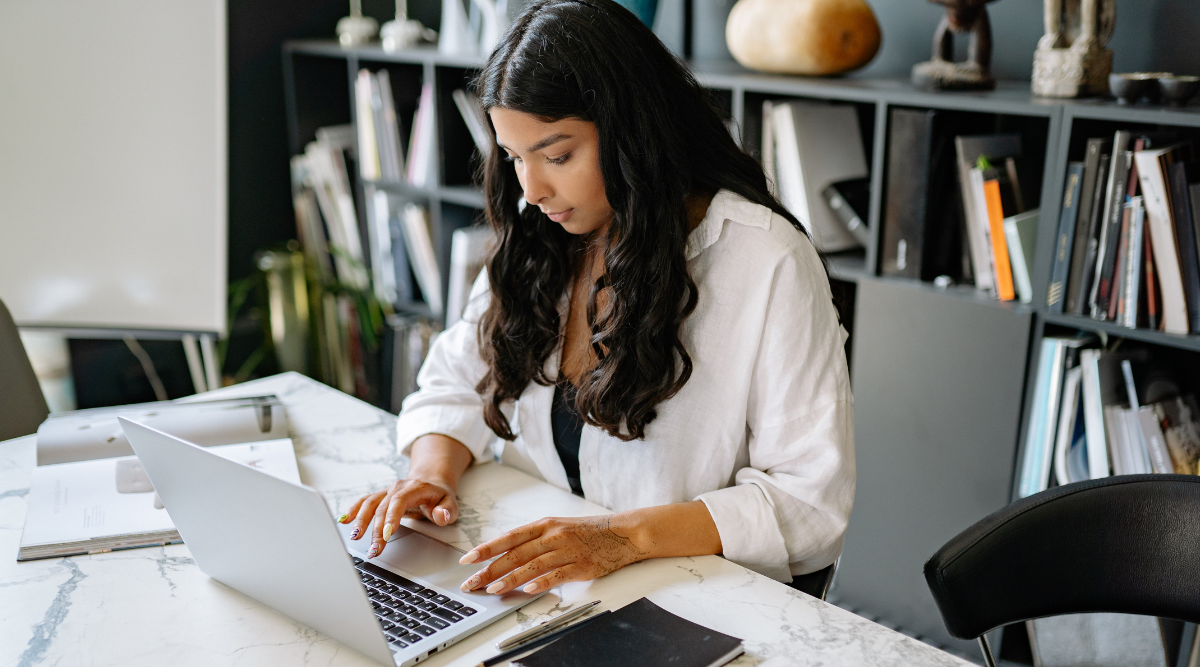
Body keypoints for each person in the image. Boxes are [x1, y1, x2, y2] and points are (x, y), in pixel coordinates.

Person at [339, 0, 854, 596]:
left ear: (634, 133)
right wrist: (432, 473)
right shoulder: (543, 236)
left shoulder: (767, 261)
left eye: (557, 155)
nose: (531, 190)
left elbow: (809, 500)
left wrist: (622, 538)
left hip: (694, 598)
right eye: (514, 157)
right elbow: (457, 378)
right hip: (551, 583)